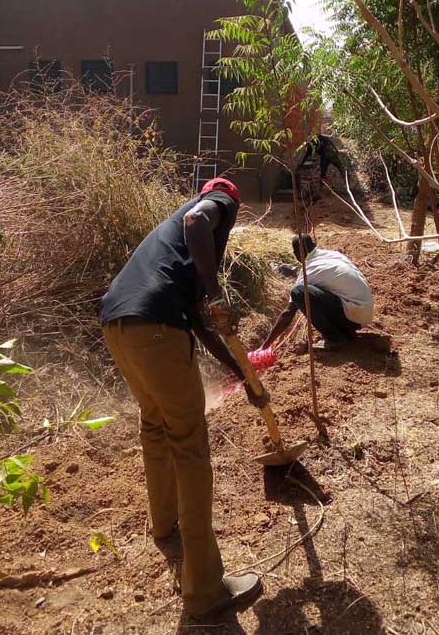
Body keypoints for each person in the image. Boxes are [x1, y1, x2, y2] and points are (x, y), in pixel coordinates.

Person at [100, 177, 266, 619]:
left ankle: (164, 525)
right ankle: (205, 591)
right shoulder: (216, 202)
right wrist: (217, 293)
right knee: (190, 448)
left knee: (155, 425)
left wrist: (241, 374)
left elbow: (198, 324)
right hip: (155, 329)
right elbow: (198, 220)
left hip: (119, 325)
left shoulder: (171, 250)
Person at [259, 234, 373, 352]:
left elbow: (288, 313)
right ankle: (347, 331)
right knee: (327, 293)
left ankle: (335, 338)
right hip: (365, 313)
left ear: (296, 254)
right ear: (314, 245)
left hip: (353, 315)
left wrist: (264, 347)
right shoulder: (335, 255)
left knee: (298, 292)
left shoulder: (308, 271)